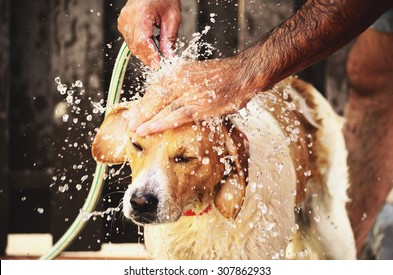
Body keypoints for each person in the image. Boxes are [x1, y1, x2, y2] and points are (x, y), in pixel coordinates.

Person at [117, 0, 393, 257]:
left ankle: (366, 246)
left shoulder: (239, 159)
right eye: (139, 146)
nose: (141, 195)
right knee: (372, 75)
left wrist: (248, 71)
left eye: (184, 157)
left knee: (330, 246)